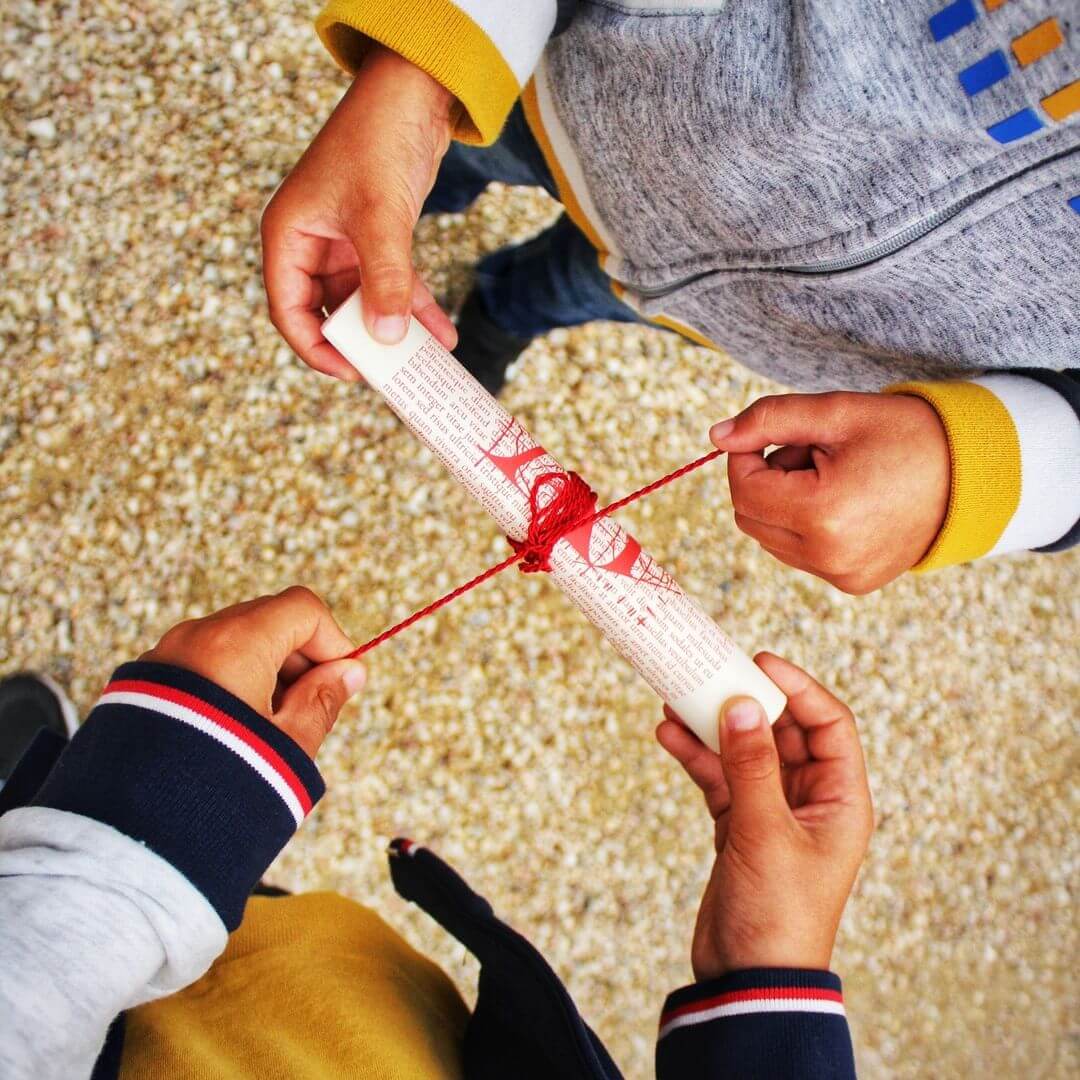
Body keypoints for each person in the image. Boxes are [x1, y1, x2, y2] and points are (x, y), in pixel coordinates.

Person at [261, 4, 1080, 596]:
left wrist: (987, 467)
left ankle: (504, 306)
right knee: (457, 154)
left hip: (768, 316)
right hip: (594, 75)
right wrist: (423, 72)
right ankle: (433, 188)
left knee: (580, 288)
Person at [0, 587, 873, 1078]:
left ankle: (35, 837)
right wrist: (769, 974)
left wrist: (129, 835)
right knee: (267, 929)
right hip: (373, 1017)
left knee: (118, 892)